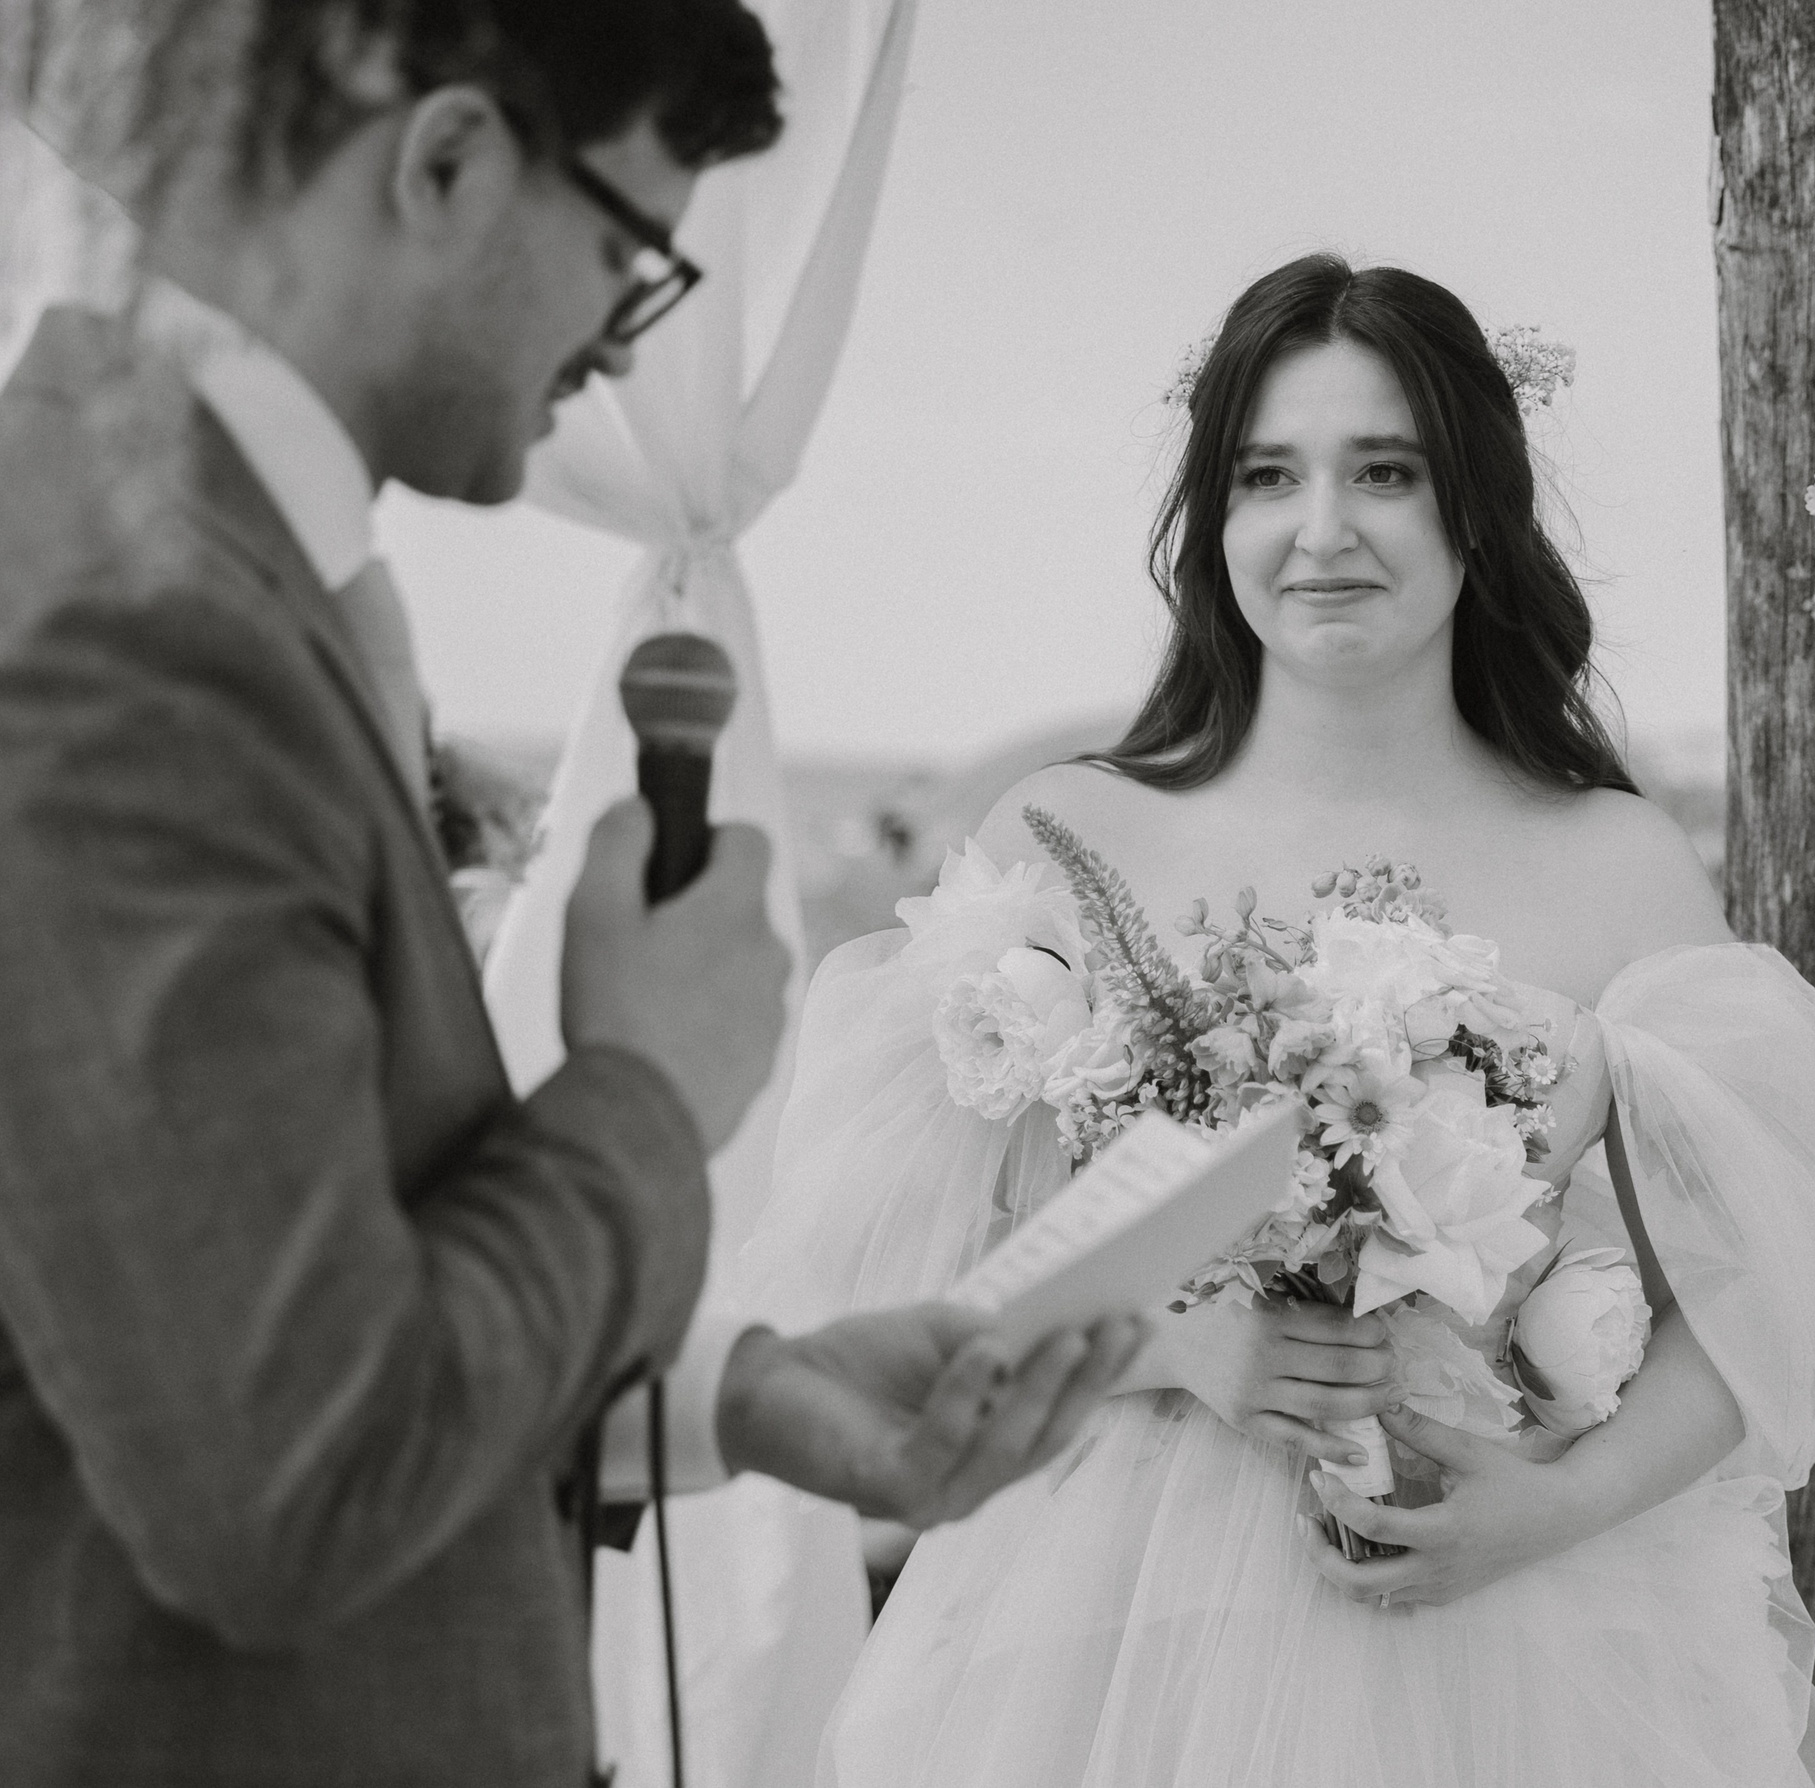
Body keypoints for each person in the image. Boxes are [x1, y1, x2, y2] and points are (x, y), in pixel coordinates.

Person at [0, 7, 1142, 1785]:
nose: (622, 341)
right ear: (448, 160)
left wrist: (733, 1395)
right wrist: (643, 1086)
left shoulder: (212, 568)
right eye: (631, 253)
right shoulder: (125, 638)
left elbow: (271, 1298)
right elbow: (288, 1481)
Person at [694, 253, 1815, 1786]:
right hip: (1111, 1630)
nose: (1321, 529)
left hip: (1518, 1644)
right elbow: (899, 1287)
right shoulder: (1063, 843)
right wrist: (1174, 1341)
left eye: (1385, 472)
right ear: (1216, 522)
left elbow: (1772, 1289)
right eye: (1268, 476)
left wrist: (1558, 1506)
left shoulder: (1614, 864)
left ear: (1476, 511)